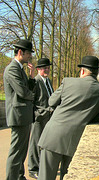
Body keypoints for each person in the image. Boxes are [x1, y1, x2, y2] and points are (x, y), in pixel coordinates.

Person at [37, 56, 99, 180]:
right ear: (97, 73)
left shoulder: (67, 82)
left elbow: (51, 102)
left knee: (45, 177)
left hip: (53, 136)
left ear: (82, 71)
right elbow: (96, 118)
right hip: (76, 140)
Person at [4, 39, 35, 180]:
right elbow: (23, 92)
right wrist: (34, 97)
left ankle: (19, 177)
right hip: (18, 116)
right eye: (29, 53)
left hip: (23, 115)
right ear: (21, 52)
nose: (30, 56)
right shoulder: (12, 69)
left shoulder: (19, 69)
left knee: (22, 152)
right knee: (16, 152)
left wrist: (31, 75)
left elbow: (27, 88)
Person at [28, 58, 53, 179]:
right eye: (44, 68)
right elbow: (32, 99)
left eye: (48, 68)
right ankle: (33, 169)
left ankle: (41, 166)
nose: (47, 70)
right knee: (35, 143)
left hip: (47, 118)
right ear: (38, 69)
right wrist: (38, 113)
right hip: (39, 118)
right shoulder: (36, 81)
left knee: (43, 143)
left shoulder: (48, 81)